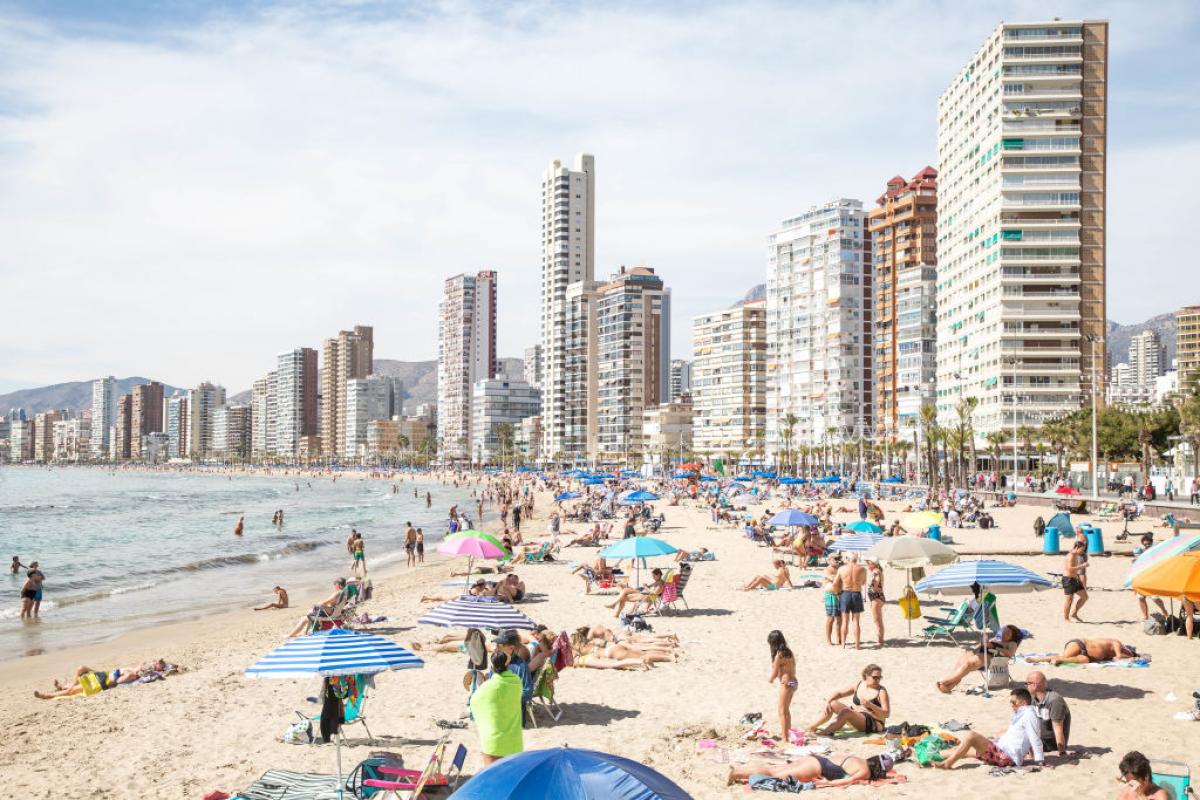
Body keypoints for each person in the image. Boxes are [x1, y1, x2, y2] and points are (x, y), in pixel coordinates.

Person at [933, 687, 1044, 770]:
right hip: (1001, 751)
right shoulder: (1021, 714)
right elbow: (1024, 736)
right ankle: (931, 757)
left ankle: (948, 763)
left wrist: (1039, 760)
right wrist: (1031, 755)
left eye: (1013, 702)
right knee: (962, 750)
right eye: (1010, 702)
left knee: (971, 736)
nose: (1011, 705)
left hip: (1007, 757)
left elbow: (1034, 736)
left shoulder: (1029, 714)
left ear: (1024, 703)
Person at [726, 751, 903, 788]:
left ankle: (739, 770)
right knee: (774, 774)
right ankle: (736, 773)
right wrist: (827, 783)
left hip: (815, 759)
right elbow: (846, 781)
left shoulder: (859, 758)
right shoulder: (865, 771)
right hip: (815, 768)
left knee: (774, 769)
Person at [469, 650, 524, 766]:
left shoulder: (489, 686)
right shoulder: (517, 682)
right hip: (514, 743)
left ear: (492, 666)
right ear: (508, 665)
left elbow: (474, 702)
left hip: (493, 744)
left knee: (493, 776)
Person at [936, 624, 1024, 693]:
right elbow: (982, 644)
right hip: (979, 650)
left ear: (1012, 636)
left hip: (990, 655)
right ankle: (950, 685)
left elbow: (1010, 654)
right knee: (963, 660)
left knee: (967, 664)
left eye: (1008, 633)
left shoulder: (1012, 643)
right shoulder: (996, 639)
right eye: (1004, 631)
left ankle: (945, 682)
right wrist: (984, 641)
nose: (1004, 634)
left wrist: (994, 647)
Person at [805, 664, 889, 735]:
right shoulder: (859, 684)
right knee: (832, 703)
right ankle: (812, 727)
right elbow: (840, 693)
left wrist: (870, 705)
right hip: (856, 716)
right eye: (875, 677)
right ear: (867, 675)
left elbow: (886, 714)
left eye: (879, 677)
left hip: (873, 723)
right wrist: (828, 701)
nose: (878, 680)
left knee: (846, 712)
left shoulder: (881, 691)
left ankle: (825, 733)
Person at [34, 659, 172, 699]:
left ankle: (47, 695)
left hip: (100, 683)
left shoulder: (132, 675)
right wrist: (137, 667)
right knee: (81, 668)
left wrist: (130, 673)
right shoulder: (135, 669)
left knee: (71, 691)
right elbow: (139, 666)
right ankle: (65, 686)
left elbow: (116, 682)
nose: (152, 662)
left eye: (155, 664)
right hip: (102, 675)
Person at [1025, 671, 1070, 757]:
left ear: (1034, 685)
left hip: (1050, 743)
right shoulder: (1033, 698)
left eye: (1027, 684)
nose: (1026, 686)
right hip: (1039, 738)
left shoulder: (1054, 700)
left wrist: (1062, 752)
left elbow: (1058, 729)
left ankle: (1030, 756)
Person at [1026, 637, 1144, 665]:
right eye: (1129, 652)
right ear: (1126, 648)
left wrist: (1130, 657)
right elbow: (1119, 657)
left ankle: (1058, 660)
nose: (1128, 654)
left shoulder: (1110, 654)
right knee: (1064, 656)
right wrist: (1132, 657)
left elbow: (1115, 658)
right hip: (1080, 644)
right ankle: (1037, 659)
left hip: (1086, 656)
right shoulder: (1116, 643)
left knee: (1084, 660)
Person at [767, 630, 797, 741]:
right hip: (794, 682)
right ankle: (787, 734)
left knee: (782, 711)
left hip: (786, 683)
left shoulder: (778, 656)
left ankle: (785, 738)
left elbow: (775, 673)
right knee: (786, 710)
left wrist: (770, 679)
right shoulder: (789, 652)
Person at [837, 552, 867, 649]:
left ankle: (843, 644)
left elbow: (835, 582)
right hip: (856, 593)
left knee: (845, 621)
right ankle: (857, 645)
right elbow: (863, 582)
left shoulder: (842, 569)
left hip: (845, 593)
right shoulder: (862, 569)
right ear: (856, 559)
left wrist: (837, 592)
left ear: (847, 559)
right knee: (856, 621)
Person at [1063, 538, 1089, 622]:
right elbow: (1069, 569)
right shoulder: (1071, 556)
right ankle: (1066, 618)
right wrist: (1082, 566)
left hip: (1075, 579)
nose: (1083, 551)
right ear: (1077, 548)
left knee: (1085, 597)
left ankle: (1074, 613)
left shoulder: (1075, 554)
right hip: (1068, 580)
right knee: (1069, 600)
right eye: (1082, 549)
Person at [822, 554, 843, 646]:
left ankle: (839, 639)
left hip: (840, 594)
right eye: (835, 559)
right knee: (831, 618)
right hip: (831, 595)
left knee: (840, 619)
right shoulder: (827, 569)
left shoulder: (840, 569)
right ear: (829, 560)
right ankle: (828, 640)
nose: (837, 560)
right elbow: (834, 580)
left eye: (838, 559)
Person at [865, 556, 885, 646]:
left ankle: (880, 640)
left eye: (868, 563)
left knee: (877, 620)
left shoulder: (876, 572)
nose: (867, 565)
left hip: (876, 598)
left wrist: (873, 587)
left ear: (874, 564)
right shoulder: (876, 571)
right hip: (877, 597)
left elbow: (876, 585)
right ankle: (880, 639)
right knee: (877, 620)